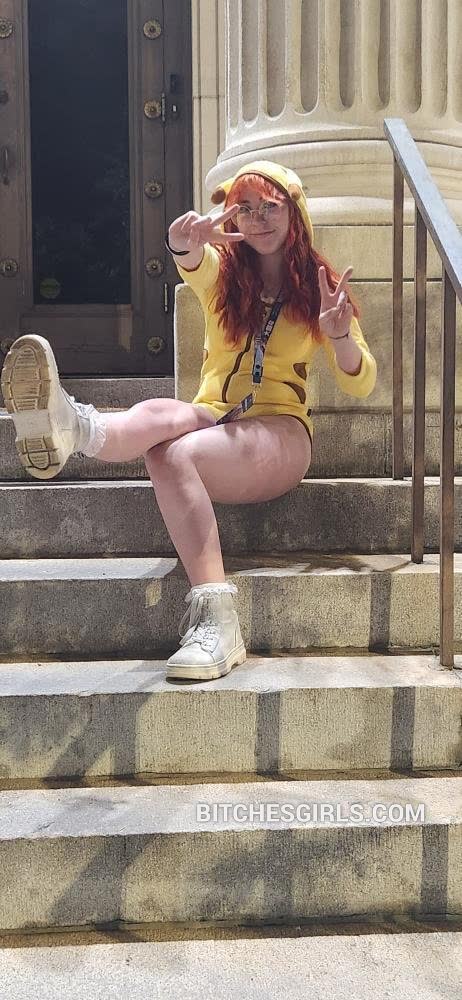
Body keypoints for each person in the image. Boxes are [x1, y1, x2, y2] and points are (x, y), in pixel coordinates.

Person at [1, 161, 377, 682]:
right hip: (215, 414)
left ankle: (219, 623)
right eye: (246, 208)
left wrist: (338, 336)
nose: (258, 219)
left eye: (270, 207)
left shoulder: (321, 288)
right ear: (233, 217)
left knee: (175, 454)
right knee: (164, 416)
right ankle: (73, 427)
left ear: (295, 213)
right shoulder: (227, 276)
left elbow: (361, 381)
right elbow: (194, 264)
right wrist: (183, 242)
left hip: (281, 432)